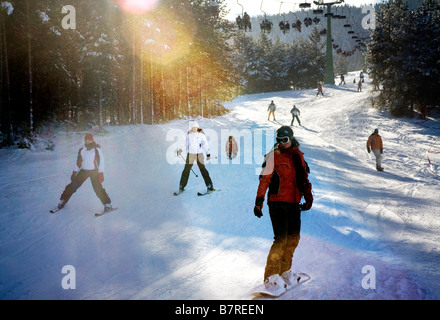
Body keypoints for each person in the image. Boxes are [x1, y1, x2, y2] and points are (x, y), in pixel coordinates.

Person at [254, 126, 313, 286]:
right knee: (281, 239)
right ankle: (271, 277)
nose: (281, 143)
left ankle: (284, 271)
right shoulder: (272, 156)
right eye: (278, 140)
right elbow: (264, 179)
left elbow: (304, 179)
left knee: (293, 239)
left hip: (293, 202)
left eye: (284, 140)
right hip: (277, 202)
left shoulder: (298, 156)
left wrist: (308, 197)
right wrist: (259, 201)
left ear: (291, 138)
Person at [56, 133, 112, 211]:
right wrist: (74, 172)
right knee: (72, 185)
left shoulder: (97, 149)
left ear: (92, 140)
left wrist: (101, 173)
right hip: (84, 171)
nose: (88, 141)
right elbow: (79, 162)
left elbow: (101, 162)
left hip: (94, 172)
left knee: (98, 188)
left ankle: (107, 204)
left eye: (89, 139)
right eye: (86, 140)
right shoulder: (82, 150)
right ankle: (63, 200)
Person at [178, 120, 214, 193]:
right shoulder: (189, 135)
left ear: (198, 128)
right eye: (193, 127)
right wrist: (181, 150)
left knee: (203, 169)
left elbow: (205, 144)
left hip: (199, 154)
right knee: (186, 170)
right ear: (192, 128)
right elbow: (186, 145)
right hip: (191, 154)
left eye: (196, 127)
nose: (195, 129)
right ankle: (181, 186)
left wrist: (208, 153)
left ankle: (209, 186)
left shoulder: (201, 135)